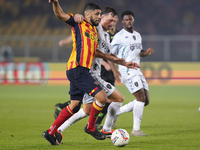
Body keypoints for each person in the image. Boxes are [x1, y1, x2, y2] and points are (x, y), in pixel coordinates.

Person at [43, 1, 139, 145]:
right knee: (102, 97)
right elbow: (59, 14)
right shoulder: (79, 23)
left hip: (82, 70)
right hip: (79, 68)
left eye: (100, 14)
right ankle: (91, 127)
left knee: (75, 106)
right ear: (87, 14)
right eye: (97, 14)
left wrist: (121, 62)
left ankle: (51, 132)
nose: (99, 17)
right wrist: (56, 2)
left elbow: (96, 52)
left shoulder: (94, 31)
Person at [110, 10, 154, 136]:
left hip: (137, 70)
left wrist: (147, 52)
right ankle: (136, 130)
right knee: (140, 98)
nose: (129, 21)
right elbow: (110, 55)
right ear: (122, 22)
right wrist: (115, 71)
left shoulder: (138, 35)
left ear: (133, 20)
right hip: (127, 70)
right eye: (126, 20)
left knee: (145, 101)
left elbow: (139, 52)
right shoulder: (119, 36)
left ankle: (117, 112)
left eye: (130, 19)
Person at [95, 15, 119, 130]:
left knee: (109, 99)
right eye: (111, 19)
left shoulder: (117, 34)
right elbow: (95, 51)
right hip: (100, 70)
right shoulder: (99, 30)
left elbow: (111, 55)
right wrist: (105, 63)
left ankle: (99, 125)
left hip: (109, 71)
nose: (113, 22)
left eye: (115, 20)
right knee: (103, 99)